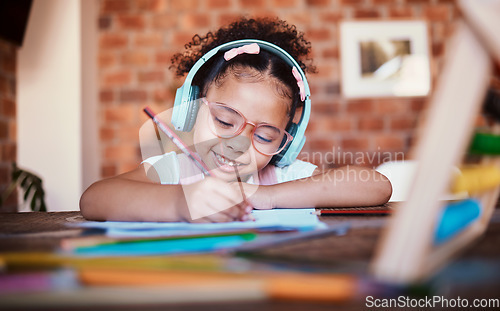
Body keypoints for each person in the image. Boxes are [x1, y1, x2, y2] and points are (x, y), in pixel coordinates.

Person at [80, 17, 392, 223]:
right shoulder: (173, 171)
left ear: (288, 141)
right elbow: (94, 199)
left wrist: (265, 196)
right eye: (226, 121)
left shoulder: (283, 177)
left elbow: (377, 187)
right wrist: (180, 203)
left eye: (265, 137)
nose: (238, 144)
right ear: (191, 107)